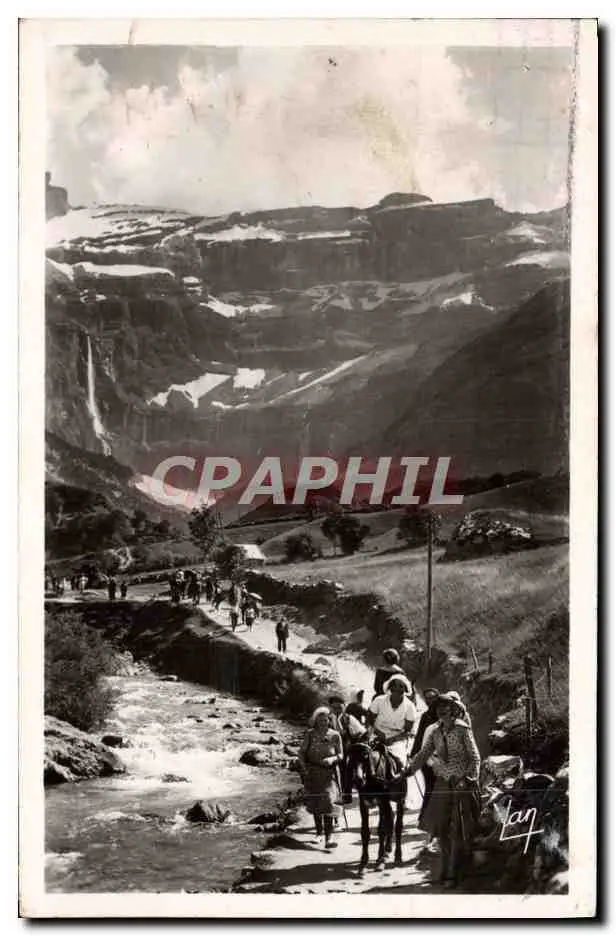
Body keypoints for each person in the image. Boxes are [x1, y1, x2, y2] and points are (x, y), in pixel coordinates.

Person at [405, 692, 481, 888]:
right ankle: (446, 869)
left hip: (461, 784)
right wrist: (408, 771)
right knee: (442, 830)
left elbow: (475, 758)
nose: (442, 711)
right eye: (439, 708)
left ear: (454, 710)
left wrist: (468, 779)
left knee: (458, 830)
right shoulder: (435, 732)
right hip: (442, 783)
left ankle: (454, 873)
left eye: (446, 707)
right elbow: (423, 754)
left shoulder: (462, 729)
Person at [299, 706, 343, 849]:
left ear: (329, 720)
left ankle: (329, 838)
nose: (323, 723)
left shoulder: (335, 735)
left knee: (328, 803)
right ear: (315, 721)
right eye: (320, 720)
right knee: (316, 803)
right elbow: (302, 752)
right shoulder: (310, 734)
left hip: (330, 773)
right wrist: (304, 768)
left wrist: (332, 759)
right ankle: (319, 834)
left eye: (325, 720)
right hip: (313, 772)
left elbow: (341, 755)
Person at [409, 687, 440, 849]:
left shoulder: (444, 715)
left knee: (438, 789)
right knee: (429, 787)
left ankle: (432, 821)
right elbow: (420, 735)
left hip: (443, 759)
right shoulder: (425, 716)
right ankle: (425, 819)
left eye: (432, 698)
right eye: (427, 698)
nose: (429, 701)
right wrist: (414, 754)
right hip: (427, 757)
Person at [367, 674, 417, 772]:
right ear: (390, 687)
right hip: (376, 734)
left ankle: (398, 780)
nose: (397, 689)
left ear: (405, 689)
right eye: (395, 685)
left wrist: (392, 739)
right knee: (362, 754)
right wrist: (377, 732)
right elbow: (369, 720)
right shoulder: (379, 700)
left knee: (400, 763)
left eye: (401, 686)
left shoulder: (410, 707)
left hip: (396, 740)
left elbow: (408, 731)